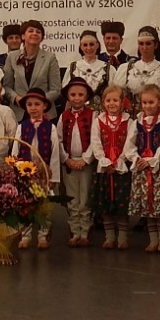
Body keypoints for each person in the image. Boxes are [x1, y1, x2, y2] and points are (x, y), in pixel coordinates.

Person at [126, 84, 160, 252]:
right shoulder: (137, 122)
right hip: (141, 168)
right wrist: (136, 158)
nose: (147, 106)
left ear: (159, 102)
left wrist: (153, 160)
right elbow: (129, 145)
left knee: (157, 208)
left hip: (156, 170)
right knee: (147, 209)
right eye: (144, 102)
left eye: (151, 102)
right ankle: (153, 241)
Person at [12, 89, 61, 249]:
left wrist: (53, 177)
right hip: (25, 172)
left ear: (44, 106)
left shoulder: (50, 127)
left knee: (43, 205)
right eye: (30, 104)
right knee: (25, 204)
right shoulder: (22, 127)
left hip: (43, 173)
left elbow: (55, 153)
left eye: (37, 104)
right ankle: (25, 235)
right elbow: (16, 149)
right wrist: (15, 170)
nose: (33, 108)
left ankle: (43, 235)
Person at [91, 84, 134, 249]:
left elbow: (130, 143)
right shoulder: (98, 121)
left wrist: (119, 161)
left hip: (121, 168)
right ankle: (109, 237)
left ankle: (122, 237)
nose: (112, 103)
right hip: (104, 168)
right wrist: (104, 161)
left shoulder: (129, 121)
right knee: (106, 205)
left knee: (122, 204)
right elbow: (96, 142)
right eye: (108, 100)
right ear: (103, 103)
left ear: (122, 102)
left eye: (115, 100)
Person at [57, 79, 97, 247]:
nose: (77, 98)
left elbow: (95, 139)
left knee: (85, 197)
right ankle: (74, 231)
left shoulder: (93, 115)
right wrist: (66, 159)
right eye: (73, 94)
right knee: (72, 198)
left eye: (81, 94)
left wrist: (86, 159)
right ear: (68, 96)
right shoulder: (64, 116)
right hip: (69, 162)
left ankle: (85, 230)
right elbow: (58, 140)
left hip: (86, 162)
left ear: (86, 96)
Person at [2, 20, 63, 106]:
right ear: (23, 36)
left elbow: (56, 89)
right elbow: (7, 86)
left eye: (38, 32)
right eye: (31, 31)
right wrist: (16, 98)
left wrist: (38, 101)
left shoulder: (50, 57)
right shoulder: (12, 57)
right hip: (18, 110)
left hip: (44, 110)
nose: (34, 33)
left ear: (42, 38)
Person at [121, 26, 160, 104]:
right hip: (132, 111)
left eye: (148, 44)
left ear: (156, 45)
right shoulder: (127, 68)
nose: (144, 47)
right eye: (141, 44)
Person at [64, 30, 112, 98]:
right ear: (81, 47)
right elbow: (66, 93)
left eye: (91, 44)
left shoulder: (108, 68)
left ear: (97, 45)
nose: (88, 48)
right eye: (85, 45)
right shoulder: (73, 67)